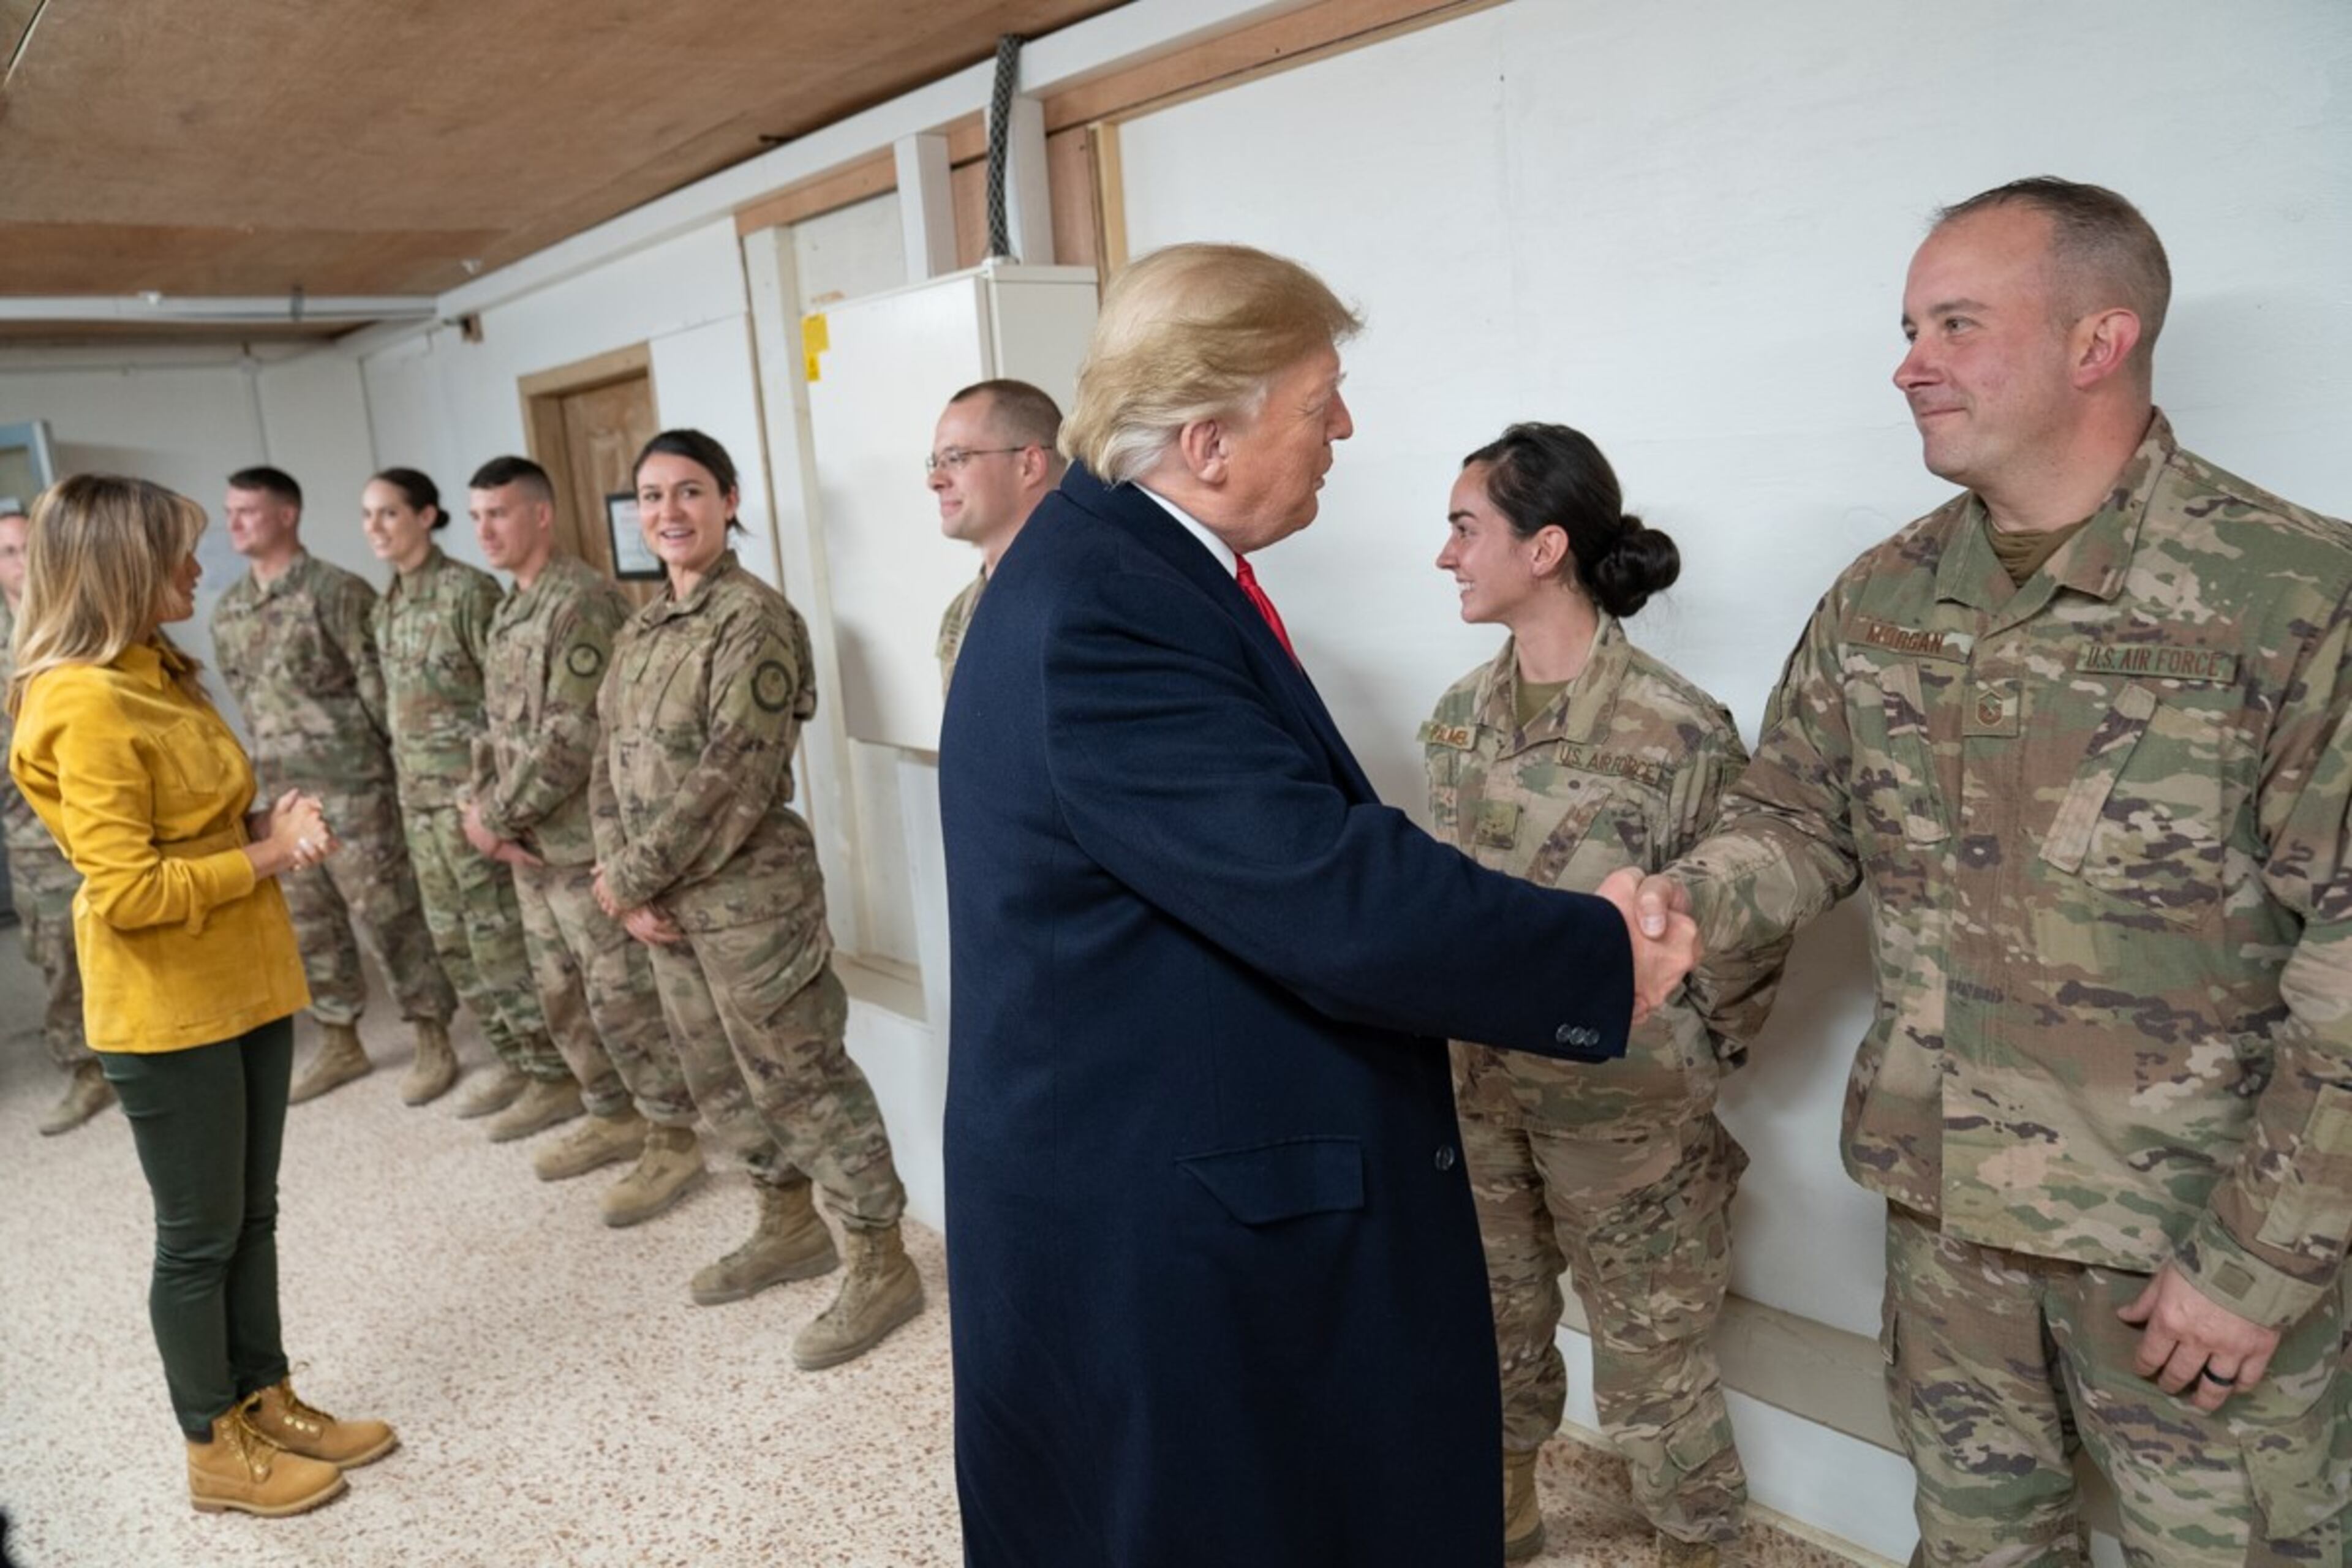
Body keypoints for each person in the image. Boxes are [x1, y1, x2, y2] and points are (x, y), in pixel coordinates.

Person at [937, 242, 1700, 1567]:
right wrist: (1594, 955)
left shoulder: (1118, 569)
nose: (1344, 428)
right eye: (1318, 398)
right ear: (1210, 437)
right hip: (1170, 1211)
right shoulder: (1108, 610)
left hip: (1168, 1150)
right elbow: (1326, 886)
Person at [1634, 178, 2352, 1564]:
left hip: (2186, 1242)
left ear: (2097, 342)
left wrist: (2257, 1257)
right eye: (1907, 323)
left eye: (1954, 322)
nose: (1908, 360)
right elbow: (1792, 815)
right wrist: (1665, 907)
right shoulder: (1881, 598)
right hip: (1948, 1226)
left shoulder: (2294, 600)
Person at [1429, 423, 1785, 1567]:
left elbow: (1745, 930)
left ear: (1545, 549)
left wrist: (1677, 1070)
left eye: (1464, 527)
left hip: (1624, 1117)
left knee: (1655, 1368)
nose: (1445, 554)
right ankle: (1504, 1513)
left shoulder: (1678, 730)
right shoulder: (1455, 720)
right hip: (1479, 1097)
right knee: (1489, 1332)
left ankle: (1698, 1544)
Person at [8, 474, 395, 1515]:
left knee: (252, 1215)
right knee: (198, 1235)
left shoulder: (155, 666)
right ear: (125, 568)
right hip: (167, 1004)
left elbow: (187, 819)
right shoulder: (80, 700)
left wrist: (268, 817)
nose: (200, 564)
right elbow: (129, 889)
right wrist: (270, 853)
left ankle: (264, 1399)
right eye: (181, 550)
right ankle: (211, 1446)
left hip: (243, 981)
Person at [592, 429, 922, 1361]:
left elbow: (732, 776)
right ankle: (788, 1226)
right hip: (667, 908)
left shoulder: (755, 621)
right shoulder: (642, 627)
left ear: (730, 501)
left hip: (751, 902)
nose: (668, 513)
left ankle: (877, 1260)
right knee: (722, 1082)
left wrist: (629, 877)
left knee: (802, 1079)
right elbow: (606, 766)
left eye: (689, 492)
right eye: (652, 497)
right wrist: (624, 881)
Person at [464, 455, 711, 1225]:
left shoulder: (584, 605)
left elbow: (575, 736)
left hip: (576, 847)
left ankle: (671, 1135)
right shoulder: (513, 608)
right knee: (562, 993)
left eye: (498, 513)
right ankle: (611, 1111)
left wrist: (495, 817)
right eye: (475, 517)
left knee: (621, 999)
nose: (485, 531)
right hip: (527, 849)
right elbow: (498, 725)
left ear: (542, 515)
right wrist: (484, 809)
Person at [209, 466, 462, 1109]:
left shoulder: (338, 592)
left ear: (287, 514)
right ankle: (340, 1037)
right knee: (310, 924)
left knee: (390, 914)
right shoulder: (231, 609)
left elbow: (380, 692)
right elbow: (247, 700)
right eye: (230, 511)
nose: (234, 522)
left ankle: (433, 1033)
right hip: (283, 801)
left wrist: (400, 778)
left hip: (356, 789)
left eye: (247, 511)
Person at [363, 466, 576, 1127]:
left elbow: (506, 702)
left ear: (427, 516)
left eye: (388, 513)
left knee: (501, 944)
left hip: (472, 803)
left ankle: (554, 1071)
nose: (374, 528)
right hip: (418, 804)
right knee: (455, 943)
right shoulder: (387, 603)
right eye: (367, 516)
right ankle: (516, 1058)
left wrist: (492, 800)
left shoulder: (469, 593)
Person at [0, 503, 110, 1134]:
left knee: (129, 932)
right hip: (31, 830)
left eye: (30, 547)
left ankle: (146, 1055)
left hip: (102, 811)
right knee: (58, 954)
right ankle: (84, 1068)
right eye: (9, 551)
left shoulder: (85, 627)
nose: (23, 562)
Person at [927, 379, 1063, 693]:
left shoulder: (1087, 592)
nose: (935, 480)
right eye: (936, 462)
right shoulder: (961, 611)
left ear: (1029, 465)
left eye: (957, 457)